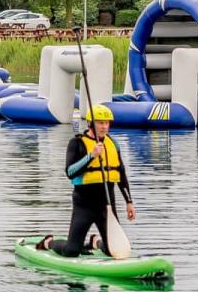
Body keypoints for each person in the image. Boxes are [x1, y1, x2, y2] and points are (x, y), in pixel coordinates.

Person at [36, 104, 136, 256]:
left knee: (114, 250)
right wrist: (91, 156)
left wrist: (129, 202)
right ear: (91, 124)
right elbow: (70, 172)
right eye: (100, 123)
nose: (104, 127)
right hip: (84, 204)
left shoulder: (113, 144)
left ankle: (95, 241)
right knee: (72, 251)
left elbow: (120, 173)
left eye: (107, 123)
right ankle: (48, 243)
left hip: (107, 204)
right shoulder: (77, 143)